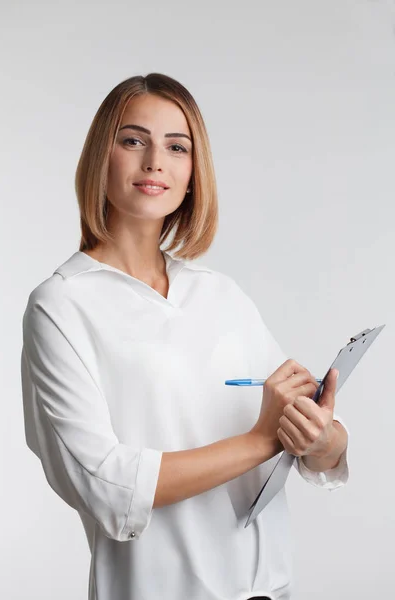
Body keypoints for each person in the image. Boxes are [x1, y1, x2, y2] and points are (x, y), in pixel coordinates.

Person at [20, 73, 349, 600]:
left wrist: (321, 435)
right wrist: (262, 439)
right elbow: (107, 485)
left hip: (270, 589)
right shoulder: (61, 305)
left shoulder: (221, 294)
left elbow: (318, 452)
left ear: (194, 173)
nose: (155, 162)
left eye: (177, 147)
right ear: (100, 157)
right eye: (133, 140)